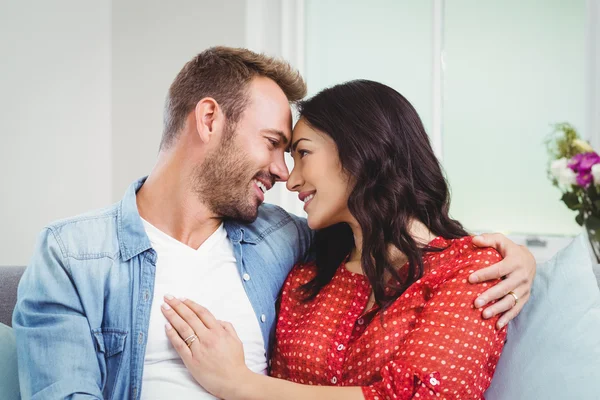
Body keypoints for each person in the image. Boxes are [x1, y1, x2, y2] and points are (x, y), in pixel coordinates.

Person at [13, 48, 534, 400]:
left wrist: (519, 257)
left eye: (296, 152)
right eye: (274, 145)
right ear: (209, 119)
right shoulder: (75, 255)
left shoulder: (281, 240)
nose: (285, 174)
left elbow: (399, 231)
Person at [160, 79, 525, 399]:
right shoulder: (306, 277)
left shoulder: (471, 270)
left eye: (303, 153)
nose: (290, 179)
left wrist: (239, 384)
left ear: (361, 148)